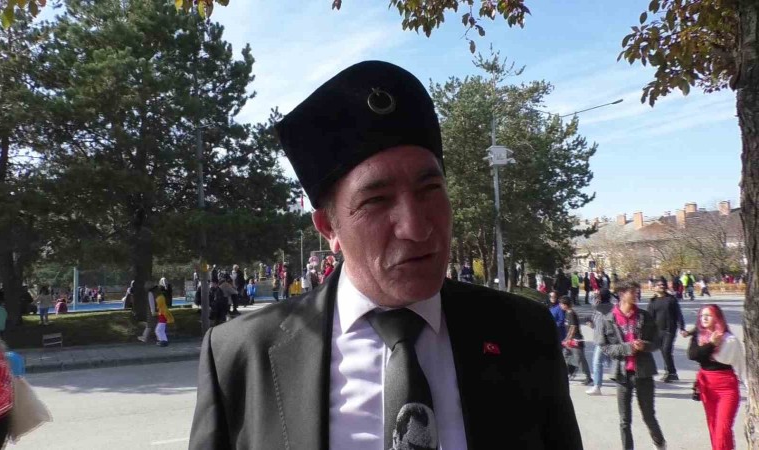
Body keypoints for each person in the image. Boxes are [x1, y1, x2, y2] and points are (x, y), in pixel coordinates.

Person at [189, 60, 582, 449]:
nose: (416, 227)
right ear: (328, 228)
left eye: (430, 189)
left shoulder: (524, 334)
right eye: (376, 201)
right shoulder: (240, 356)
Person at [598, 280, 666, 450]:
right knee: (624, 420)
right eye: (633, 292)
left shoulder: (644, 316)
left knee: (648, 415)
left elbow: (657, 342)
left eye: (637, 292)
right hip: (622, 374)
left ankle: (660, 443)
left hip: (644, 373)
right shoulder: (608, 319)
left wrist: (645, 346)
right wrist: (627, 348)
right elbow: (605, 347)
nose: (637, 295)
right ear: (621, 294)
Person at [687, 304, 746, 450]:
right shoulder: (698, 336)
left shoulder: (729, 340)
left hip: (726, 388)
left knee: (722, 430)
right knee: (714, 428)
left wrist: (751, 388)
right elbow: (693, 355)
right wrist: (712, 344)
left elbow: (741, 365)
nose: (704, 318)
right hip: (706, 387)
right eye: (702, 315)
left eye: (708, 315)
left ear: (717, 318)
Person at [647, 277, 686, 383]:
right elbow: (649, 318)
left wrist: (682, 327)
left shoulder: (671, 299)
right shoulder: (652, 302)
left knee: (666, 350)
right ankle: (669, 372)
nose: (662, 286)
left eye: (663, 284)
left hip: (669, 329)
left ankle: (672, 372)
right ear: (654, 287)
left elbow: (678, 314)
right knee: (664, 351)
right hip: (657, 331)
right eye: (659, 285)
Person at [586, 288, 614, 395]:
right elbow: (597, 321)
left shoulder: (602, 307)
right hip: (604, 338)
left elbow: (593, 304)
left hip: (603, 339)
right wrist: (592, 324)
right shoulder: (608, 307)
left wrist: (595, 296)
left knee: (597, 362)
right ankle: (624, 380)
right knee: (612, 361)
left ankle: (597, 386)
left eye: (598, 295)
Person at [559, 296, 592, 385]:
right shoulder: (567, 313)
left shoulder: (571, 313)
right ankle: (572, 369)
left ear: (565, 305)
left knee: (580, 359)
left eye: (561, 304)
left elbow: (573, 327)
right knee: (565, 355)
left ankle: (588, 377)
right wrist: (566, 339)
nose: (560, 306)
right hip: (570, 340)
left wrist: (568, 339)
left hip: (576, 340)